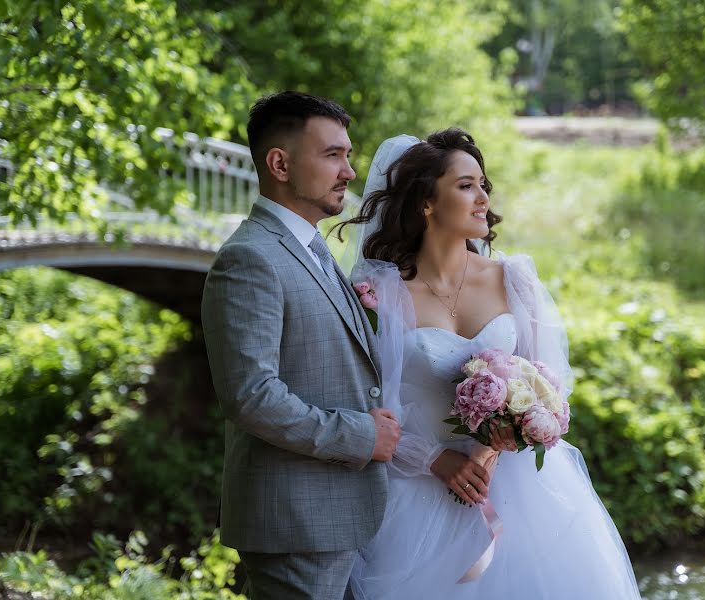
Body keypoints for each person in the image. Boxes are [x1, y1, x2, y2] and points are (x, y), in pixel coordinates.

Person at [337, 129, 642, 598]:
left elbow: (549, 386)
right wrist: (437, 460)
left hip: (522, 492)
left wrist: (491, 448)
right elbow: (369, 400)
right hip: (420, 487)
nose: (483, 198)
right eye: (465, 186)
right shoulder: (380, 292)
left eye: (484, 185)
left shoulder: (513, 278)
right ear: (426, 203)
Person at [200, 91, 401, 600]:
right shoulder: (249, 259)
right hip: (295, 526)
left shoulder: (311, 246)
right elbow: (251, 396)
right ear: (280, 163)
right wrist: (360, 436)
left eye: (348, 155)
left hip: (345, 519)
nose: (349, 172)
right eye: (332, 155)